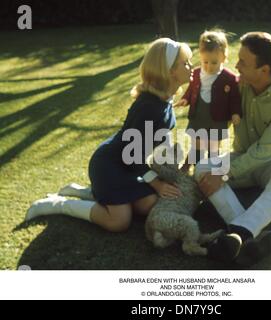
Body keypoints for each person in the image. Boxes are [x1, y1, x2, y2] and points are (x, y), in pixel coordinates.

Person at [26, 38, 193, 233]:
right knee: (119, 221)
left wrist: (168, 173)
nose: (191, 66)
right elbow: (132, 155)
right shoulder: (150, 108)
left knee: (148, 204)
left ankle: (85, 192)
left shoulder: (164, 100)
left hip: (130, 166)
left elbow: (156, 145)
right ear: (169, 70)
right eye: (186, 63)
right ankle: (58, 204)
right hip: (110, 166)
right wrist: (156, 183)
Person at [194, 32, 271, 262]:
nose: (236, 66)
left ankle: (240, 233)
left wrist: (224, 174)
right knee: (203, 168)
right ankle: (243, 235)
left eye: (243, 63)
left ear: (264, 70)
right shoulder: (237, 86)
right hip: (241, 156)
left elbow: (266, 151)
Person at [174, 30, 242, 172]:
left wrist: (235, 113)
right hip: (199, 114)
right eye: (205, 62)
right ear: (200, 56)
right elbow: (192, 89)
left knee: (213, 146)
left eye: (214, 62)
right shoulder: (197, 73)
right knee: (197, 143)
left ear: (224, 57)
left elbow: (235, 98)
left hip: (218, 118)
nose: (209, 66)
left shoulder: (229, 78)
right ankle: (192, 164)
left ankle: (212, 169)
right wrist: (185, 99)